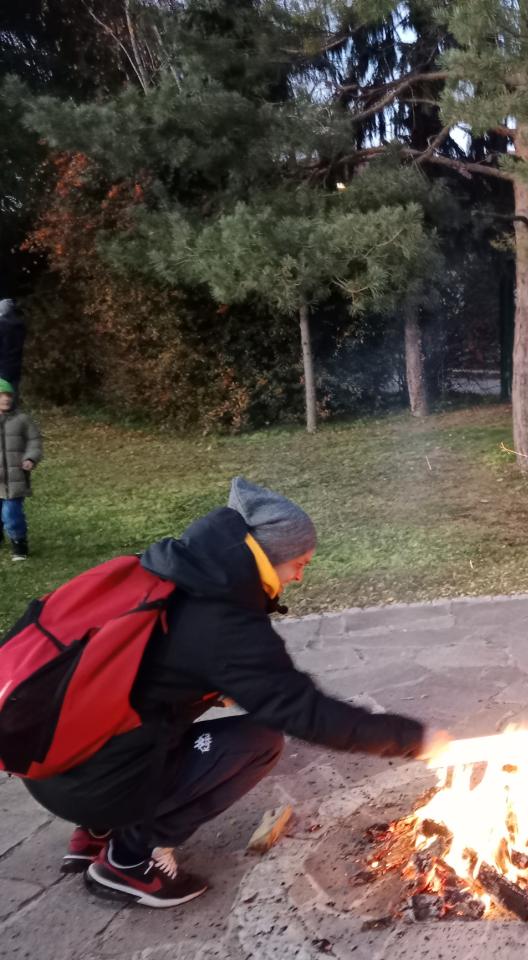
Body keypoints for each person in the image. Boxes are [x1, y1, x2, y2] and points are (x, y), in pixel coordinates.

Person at [24, 477, 448, 908]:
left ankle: (95, 831)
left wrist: (216, 687)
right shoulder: (224, 622)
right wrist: (417, 739)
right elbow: (305, 713)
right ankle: (130, 860)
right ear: (269, 557)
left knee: (169, 721)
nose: (300, 576)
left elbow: (149, 667)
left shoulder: (169, 571)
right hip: (96, 785)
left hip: (53, 764)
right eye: (299, 563)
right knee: (259, 741)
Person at [0, 377, 41, 561]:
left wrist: (30, 458)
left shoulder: (22, 420)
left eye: (8, 395)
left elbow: (34, 441)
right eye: (1, 395)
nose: (6, 399)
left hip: (15, 478)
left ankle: (19, 543)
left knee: (11, 514)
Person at [0, 299, 23, 391]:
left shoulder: (1, 325)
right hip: (16, 368)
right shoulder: (20, 325)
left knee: (3, 396)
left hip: (2, 369)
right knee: (12, 395)